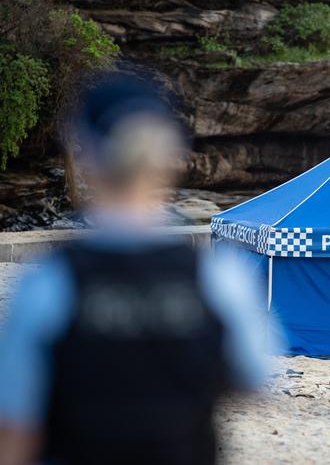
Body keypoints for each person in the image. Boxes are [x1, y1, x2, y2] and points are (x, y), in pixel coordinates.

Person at [0, 72, 275, 465]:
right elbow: (253, 378)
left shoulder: (49, 282)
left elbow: (16, 424)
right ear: (166, 157)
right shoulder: (218, 279)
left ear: (86, 158)